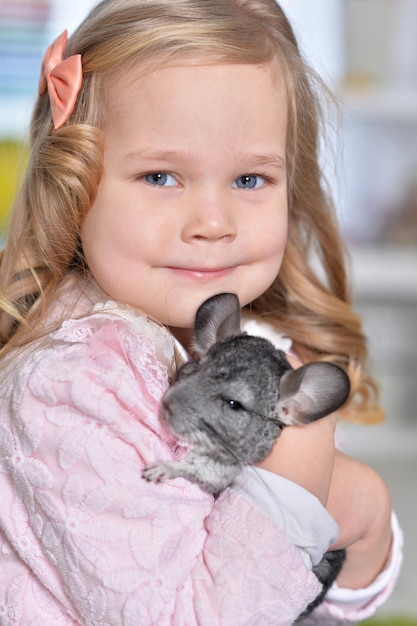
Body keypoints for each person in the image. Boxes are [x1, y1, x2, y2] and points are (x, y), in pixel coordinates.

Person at [0, 1, 402, 623]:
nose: (213, 224)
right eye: (162, 176)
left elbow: (314, 592)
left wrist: (367, 522)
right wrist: (304, 485)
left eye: (249, 181)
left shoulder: (250, 343)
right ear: (76, 184)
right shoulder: (75, 381)